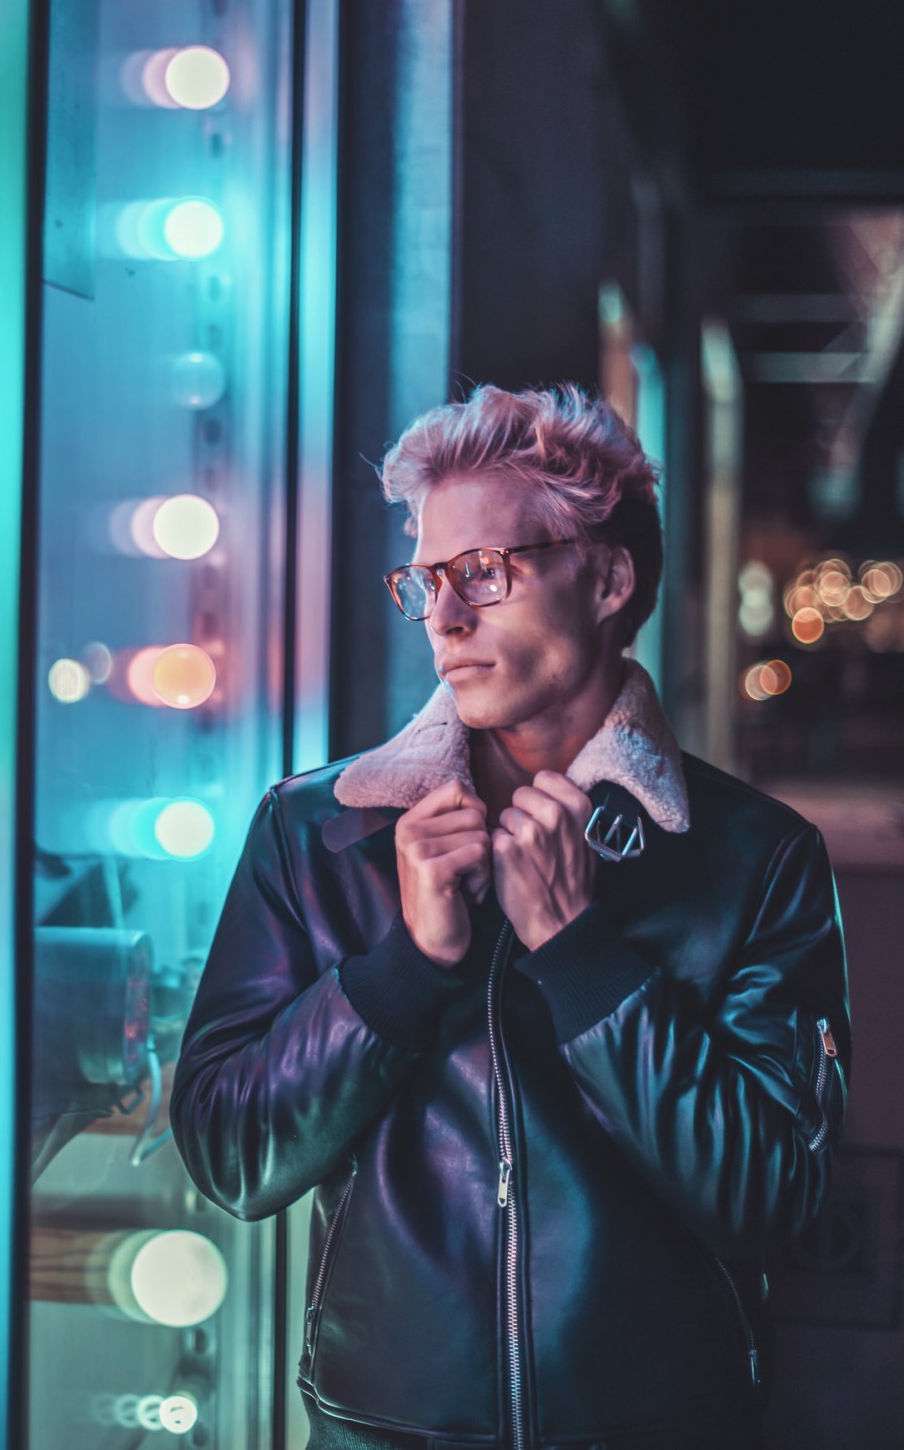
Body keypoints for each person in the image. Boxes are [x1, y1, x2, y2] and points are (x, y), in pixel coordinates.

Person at [171, 383, 849, 1450]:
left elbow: (772, 1201)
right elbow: (228, 1155)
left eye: (485, 573)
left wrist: (585, 959)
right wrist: (404, 970)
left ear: (610, 577)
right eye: (427, 581)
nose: (444, 618)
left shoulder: (753, 857)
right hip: (381, 1428)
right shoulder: (319, 833)